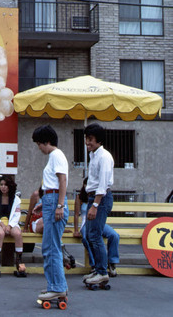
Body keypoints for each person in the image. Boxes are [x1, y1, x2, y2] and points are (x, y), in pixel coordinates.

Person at [32, 125, 69, 302]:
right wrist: (43, 203)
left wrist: (59, 205)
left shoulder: (56, 155)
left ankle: (57, 287)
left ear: (47, 142)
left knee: (51, 248)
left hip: (54, 201)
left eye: (39, 144)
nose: (39, 148)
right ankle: (56, 284)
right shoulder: (54, 157)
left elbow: (62, 181)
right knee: (50, 247)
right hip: (50, 200)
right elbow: (52, 184)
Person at [81, 123, 114, 286]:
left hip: (100, 199)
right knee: (88, 235)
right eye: (86, 139)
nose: (88, 142)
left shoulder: (104, 157)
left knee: (94, 235)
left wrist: (95, 205)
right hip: (92, 198)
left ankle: (102, 271)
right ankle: (98, 269)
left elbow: (103, 184)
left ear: (99, 140)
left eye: (91, 139)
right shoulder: (93, 155)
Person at [74, 178, 120, 277]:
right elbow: (76, 214)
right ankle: (94, 264)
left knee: (114, 235)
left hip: (98, 222)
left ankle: (112, 262)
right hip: (85, 223)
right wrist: (76, 230)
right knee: (87, 238)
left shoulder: (98, 197)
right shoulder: (80, 198)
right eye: (86, 184)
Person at [0, 175, 26, 277]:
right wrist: (2, 225)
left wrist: (10, 226)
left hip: (11, 223)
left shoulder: (16, 199)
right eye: (1, 184)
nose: (3, 187)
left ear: (10, 186)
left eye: (6, 185)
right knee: (0, 233)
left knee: (17, 233)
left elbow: (17, 215)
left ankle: (19, 262)